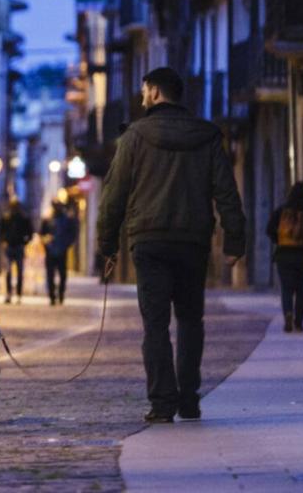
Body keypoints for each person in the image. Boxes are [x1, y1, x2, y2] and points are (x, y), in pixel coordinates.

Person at [97, 67, 245, 423]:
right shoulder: (207, 136)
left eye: (144, 90)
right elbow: (226, 191)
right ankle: (190, 399)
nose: (141, 96)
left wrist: (107, 244)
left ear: (154, 91)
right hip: (193, 242)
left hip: (148, 241)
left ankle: (163, 403)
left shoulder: (134, 136)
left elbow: (113, 194)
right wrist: (235, 240)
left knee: (156, 325)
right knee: (192, 320)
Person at [265, 182, 303, 333]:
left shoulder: (280, 211)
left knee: (286, 289)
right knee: (302, 290)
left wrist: (279, 241)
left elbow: (269, 229)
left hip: (283, 256)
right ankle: (299, 323)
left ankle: (288, 314)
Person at [40, 199, 78, 306]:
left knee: (62, 275)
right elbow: (42, 233)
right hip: (51, 251)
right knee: (51, 274)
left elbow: (72, 234)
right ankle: (52, 296)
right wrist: (46, 242)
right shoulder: (47, 220)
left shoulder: (67, 220)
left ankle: (60, 294)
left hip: (61, 250)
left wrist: (66, 244)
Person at [0, 197, 34, 304]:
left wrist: (24, 243)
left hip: (18, 247)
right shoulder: (6, 217)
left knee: (18, 272)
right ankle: (10, 294)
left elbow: (30, 233)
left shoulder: (23, 217)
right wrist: (4, 241)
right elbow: (1, 231)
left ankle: (17, 294)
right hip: (11, 247)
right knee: (9, 271)